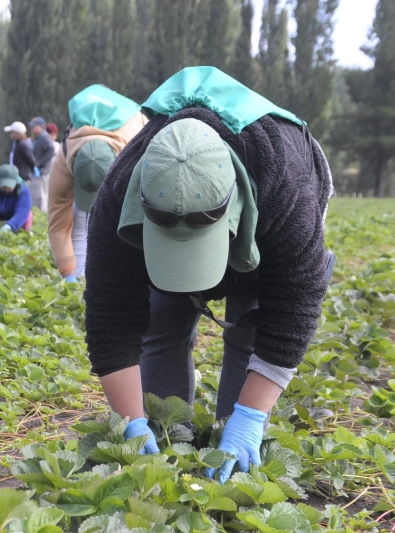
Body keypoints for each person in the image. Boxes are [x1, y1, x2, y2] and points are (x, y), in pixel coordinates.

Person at [83, 67, 336, 484]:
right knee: (162, 322)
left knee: (249, 329)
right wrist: (131, 421)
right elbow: (111, 319)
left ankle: (233, 446)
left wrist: (249, 417)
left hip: (268, 220)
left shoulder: (286, 186)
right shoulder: (117, 193)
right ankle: (170, 436)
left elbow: (292, 308)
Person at [47, 84, 147, 282]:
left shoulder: (138, 146)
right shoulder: (64, 159)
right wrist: (68, 272)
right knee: (79, 223)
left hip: (128, 159)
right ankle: (79, 277)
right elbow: (58, 224)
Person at [28, 116, 56, 212]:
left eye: (34, 126)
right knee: (37, 195)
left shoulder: (44, 137)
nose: (32, 128)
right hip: (38, 171)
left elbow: (51, 149)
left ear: (40, 126)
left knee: (41, 195)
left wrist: (40, 164)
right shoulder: (38, 137)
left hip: (42, 171)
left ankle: (42, 214)